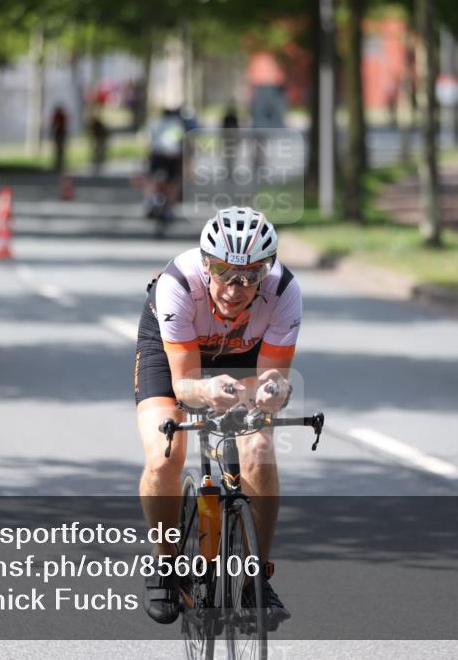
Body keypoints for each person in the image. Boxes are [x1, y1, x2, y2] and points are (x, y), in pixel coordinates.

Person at [135, 207, 300, 627]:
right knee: (164, 454)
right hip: (176, 352)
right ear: (206, 263)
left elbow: (274, 381)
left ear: (267, 271)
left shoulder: (283, 291)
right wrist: (206, 389)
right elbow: (184, 383)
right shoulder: (177, 284)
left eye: (249, 275)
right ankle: (166, 562)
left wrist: (271, 391)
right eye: (224, 271)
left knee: (259, 447)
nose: (235, 287)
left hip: (243, 351)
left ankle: (255, 575)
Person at [146, 108, 186, 218]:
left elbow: (149, 143)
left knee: (151, 180)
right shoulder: (177, 124)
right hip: (171, 157)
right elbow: (181, 143)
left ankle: (150, 202)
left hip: (156, 156)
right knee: (174, 182)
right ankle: (170, 209)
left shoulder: (154, 123)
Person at [50, 105, 68, 173]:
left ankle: (59, 164)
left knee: (59, 149)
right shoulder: (61, 115)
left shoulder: (59, 115)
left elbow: (54, 124)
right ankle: (59, 164)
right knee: (59, 150)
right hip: (60, 132)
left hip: (60, 132)